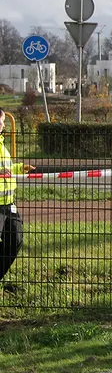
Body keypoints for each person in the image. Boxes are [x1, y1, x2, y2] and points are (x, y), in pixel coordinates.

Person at [0, 108, 35, 283]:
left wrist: (20, 168)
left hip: (8, 204)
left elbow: (6, 170)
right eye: (0, 121)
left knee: (15, 240)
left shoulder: (2, 145)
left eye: (3, 122)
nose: (2, 125)